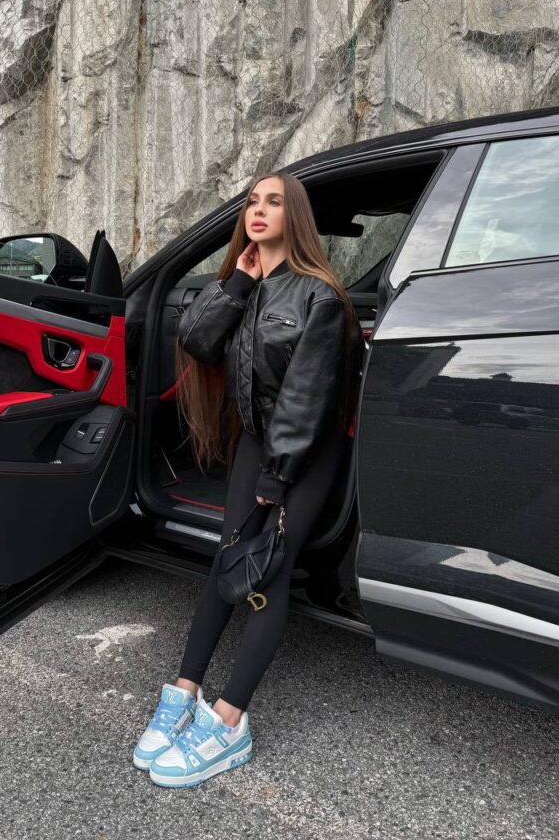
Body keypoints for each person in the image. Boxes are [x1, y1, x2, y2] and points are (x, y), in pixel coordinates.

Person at [133, 170, 365, 787]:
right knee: (226, 561)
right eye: (252, 202)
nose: (258, 211)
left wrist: (277, 477)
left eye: (274, 202)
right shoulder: (250, 285)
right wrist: (237, 281)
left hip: (301, 452)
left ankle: (230, 720)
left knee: (268, 572)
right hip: (260, 443)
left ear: (296, 217)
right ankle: (183, 693)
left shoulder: (320, 296)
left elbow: (307, 400)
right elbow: (197, 340)